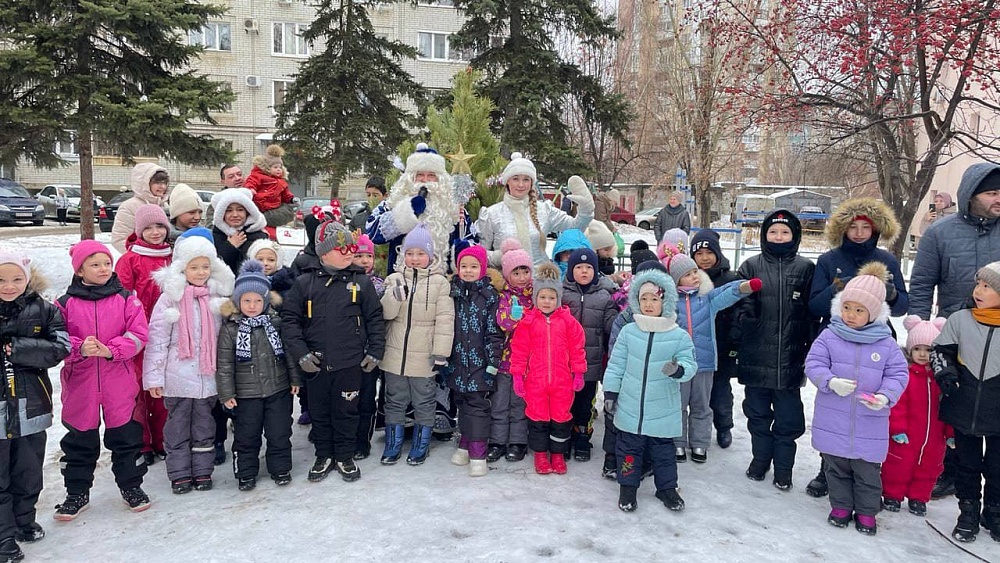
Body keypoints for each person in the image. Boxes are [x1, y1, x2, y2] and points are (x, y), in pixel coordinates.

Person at [805, 197, 908, 497]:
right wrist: (837, 287)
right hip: (837, 343)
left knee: (869, 409)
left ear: (876, 229)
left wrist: (890, 293)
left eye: (866, 227)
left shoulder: (887, 261)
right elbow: (814, 306)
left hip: (876, 344)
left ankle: (866, 474)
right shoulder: (829, 260)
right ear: (843, 229)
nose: (860, 233)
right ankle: (828, 468)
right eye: (854, 227)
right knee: (834, 410)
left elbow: (903, 306)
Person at [910, 162, 1000, 499]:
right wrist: (919, 328)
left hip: (997, 338)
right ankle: (948, 470)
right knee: (954, 406)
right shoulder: (940, 233)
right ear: (971, 195)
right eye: (992, 193)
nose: (999, 199)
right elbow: (922, 284)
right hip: (953, 335)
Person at [805, 267, 908, 536]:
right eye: (847, 307)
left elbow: (898, 374)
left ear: (873, 313)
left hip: (869, 422)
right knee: (836, 468)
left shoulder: (885, 343)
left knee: (867, 472)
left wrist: (885, 396)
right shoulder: (830, 335)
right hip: (834, 418)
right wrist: (830, 382)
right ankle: (840, 507)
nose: (850, 314)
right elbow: (814, 363)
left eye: (859, 310)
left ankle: (866, 512)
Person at [282, 220, 385, 483]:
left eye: (351, 247)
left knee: (347, 412)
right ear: (323, 252)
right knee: (320, 413)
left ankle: (345, 455)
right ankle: (324, 455)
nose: (350, 252)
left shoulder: (361, 282)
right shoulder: (305, 283)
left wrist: (375, 351)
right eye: (342, 248)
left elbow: (375, 318)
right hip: (316, 364)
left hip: (351, 363)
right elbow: (290, 321)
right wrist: (301, 354)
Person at [54, 241, 151, 520]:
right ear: (80, 270)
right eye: (95, 265)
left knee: (126, 437)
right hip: (80, 384)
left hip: (118, 381)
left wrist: (112, 350)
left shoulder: (126, 299)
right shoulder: (64, 304)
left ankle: (131, 486)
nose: (103, 269)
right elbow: (56, 338)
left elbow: (139, 334)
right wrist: (79, 348)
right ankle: (76, 492)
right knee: (79, 440)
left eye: (107, 263)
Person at [143, 234, 234, 494]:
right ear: (182, 268)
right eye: (194, 267)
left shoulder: (218, 298)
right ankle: (180, 473)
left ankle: (203, 471)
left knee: (205, 426)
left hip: (208, 378)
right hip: (177, 378)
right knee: (178, 427)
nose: (201, 272)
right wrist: (154, 378)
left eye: (205, 266)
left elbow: (226, 340)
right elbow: (157, 340)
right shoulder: (169, 299)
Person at [602, 268, 697, 512]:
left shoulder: (678, 335)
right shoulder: (629, 331)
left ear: (666, 301)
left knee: (663, 454)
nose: (648, 304)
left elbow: (690, 364)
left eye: (654, 299)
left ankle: (666, 489)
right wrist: (611, 393)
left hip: (662, 409)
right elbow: (616, 365)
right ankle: (627, 488)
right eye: (643, 298)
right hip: (630, 406)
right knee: (628, 452)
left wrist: (678, 370)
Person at [735, 209, 815, 491]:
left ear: (795, 236)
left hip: (789, 360)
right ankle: (760, 460)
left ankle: (783, 468)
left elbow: (812, 311)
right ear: (764, 235)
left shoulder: (806, 268)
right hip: (756, 357)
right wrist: (746, 318)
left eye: (785, 232)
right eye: (773, 232)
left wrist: (810, 346)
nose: (778, 237)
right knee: (757, 415)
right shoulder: (750, 266)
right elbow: (739, 300)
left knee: (788, 419)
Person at [0, 249, 70, 561]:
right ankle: (3, 537)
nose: (9, 286)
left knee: (28, 469)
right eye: (1, 280)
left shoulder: (43, 309)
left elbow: (60, 347)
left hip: (30, 404)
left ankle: (23, 519)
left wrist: (17, 348)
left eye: (16, 279)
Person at [667, 250, 759, 464]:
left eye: (695, 272)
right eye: (688, 274)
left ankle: (699, 442)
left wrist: (744, 287)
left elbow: (725, 294)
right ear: (677, 280)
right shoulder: (670, 303)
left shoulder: (706, 298)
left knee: (701, 405)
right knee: (677, 406)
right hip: (679, 365)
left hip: (704, 363)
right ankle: (677, 442)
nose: (695, 276)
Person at [932, 262, 1000, 543]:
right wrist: (946, 375)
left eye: (988, 287)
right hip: (963, 406)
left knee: (997, 467)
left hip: (997, 412)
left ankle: (994, 511)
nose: (978, 291)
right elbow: (940, 351)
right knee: (966, 464)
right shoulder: (960, 319)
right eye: (978, 284)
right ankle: (968, 511)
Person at [216, 260, 299, 491]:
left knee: (279, 432)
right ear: (237, 301)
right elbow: (224, 364)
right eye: (246, 301)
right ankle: (246, 472)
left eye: (257, 301)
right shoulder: (231, 329)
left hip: (278, 389)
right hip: (246, 394)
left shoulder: (275, 323)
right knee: (246, 435)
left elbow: (288, 353)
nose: (252, 306)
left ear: (266, 301)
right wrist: (227, 394)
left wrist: (295, 379)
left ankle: (280, 468)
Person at [379, 224, 455, 466]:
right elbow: (386, 315)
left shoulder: (440, 283)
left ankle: (421, 444)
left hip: (424, 356)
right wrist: (394, 298)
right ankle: (393, 443)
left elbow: (445, 320)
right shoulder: (394, 278)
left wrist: (441, 352)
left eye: (420, 253)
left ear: (430, 255)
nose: (415, 258)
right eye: (410, 253)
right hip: (395, 355)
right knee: (395, 399)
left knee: (424, 400)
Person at [508, 262, 587, 475]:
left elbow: (577, 349)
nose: (546, 301)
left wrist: (578, 372)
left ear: (558, 299)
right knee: (538, 418)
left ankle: (558, 455)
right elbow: (519, 350)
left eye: (551, 297)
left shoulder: (568, 322)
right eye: (542, 297)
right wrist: (518, 375)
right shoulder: (527, 322)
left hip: (562, 381)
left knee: (561, 418)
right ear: (535, 298)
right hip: (536, 381)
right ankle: (541, 454)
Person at [115, 204, 172, 465]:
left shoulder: (174, 257)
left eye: (160, 226)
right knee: (138, 391)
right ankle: (143, 443)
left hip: (167, 334)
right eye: (148, 228)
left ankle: (163, 440)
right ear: (139, 231)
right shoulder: (129, 260)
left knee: (162, 390)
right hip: (139, 335)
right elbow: (121, 300)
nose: (155, 232)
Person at [366, 143, 476, 274]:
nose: (425, 180)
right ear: (410, 177)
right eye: (420, 175)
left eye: (431, 175)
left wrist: (460, 250)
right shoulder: (393, 203)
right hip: (401, 280)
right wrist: (407, 212)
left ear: (440, 179)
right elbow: (372, 233)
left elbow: (472, 242)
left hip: (441, 281)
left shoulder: (453, 208)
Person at [881, 315, 951, 517]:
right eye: (917, 348)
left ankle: (919, 498)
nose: (922, 354)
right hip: (907, 435)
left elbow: (949, 407)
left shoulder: (941, 378)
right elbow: (898, 405)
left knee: (929, 468)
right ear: (910, 349)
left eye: (928, 350)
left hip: (934, 437)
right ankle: (892, 494)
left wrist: (950, 433)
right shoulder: (906, 375)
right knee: (898, 465)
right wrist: (897, 429)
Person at [477, 152, 595, 267]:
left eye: (526, 179)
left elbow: (575, 228)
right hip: (506, 278)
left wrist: (586, 210)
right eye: (516, 179)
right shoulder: (492, 213)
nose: (521, 185)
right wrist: (499, 257)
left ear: (532, 182)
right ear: (507, 181)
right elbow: (479, 253)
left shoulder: (545, 210)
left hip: (540, 278)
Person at [445, 245, 503, 477]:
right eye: (464, 266)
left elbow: (494, 332)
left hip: (481, 362)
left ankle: (478, 453)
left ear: (483, 268)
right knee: (461, 403)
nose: (468, 271)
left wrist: (493, 362)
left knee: (477, 406)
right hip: (457, 361)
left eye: (474, 266)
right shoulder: (453, 293)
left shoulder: (490, 296)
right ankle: (464, 444)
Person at [562, 248, 618, 462]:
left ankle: (582, 437)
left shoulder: (604, 296)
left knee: (585, 403)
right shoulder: (562, 294)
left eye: (588, 267)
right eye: (579, 267)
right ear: (570, 270)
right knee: (565, 401)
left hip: (590, 363)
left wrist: (623, 310)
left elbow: (611, 326)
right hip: (564, 362)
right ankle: (563, 435)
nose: (584, 271)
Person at [689, 229, 740, 449]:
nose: (705, 258)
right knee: (692, 393)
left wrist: (734, 338)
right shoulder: (687, 280)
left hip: (721, 346)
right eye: (699, 254)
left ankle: (723, 426)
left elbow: (741, 310)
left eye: (709, 252)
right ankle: (691, 430)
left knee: (719, 391)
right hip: (692, 346)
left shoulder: (730, 278)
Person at [489, 239, 534, 463]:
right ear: (508, 275)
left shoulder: (536, 295)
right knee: (500, 403)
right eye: (516, 273)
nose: (522, 277)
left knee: (519, 403)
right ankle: (497, 441)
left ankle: (518, 442)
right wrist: (517, 317)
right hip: (505, 361)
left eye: (525, 271)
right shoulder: (504, 296)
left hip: (526, 362)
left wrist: (524, 317)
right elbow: (504, 322)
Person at [352, 233, 385, 459]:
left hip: (370, 351)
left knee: (366, 398)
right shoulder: (344, 283)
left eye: (368, 256)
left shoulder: (380, 285)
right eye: (358, 255)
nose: (364, 261)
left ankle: (363, 440)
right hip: (347, 350)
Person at [111, 163, 170, 253]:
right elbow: (119, 239)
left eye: (164, 183)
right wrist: (141, 256)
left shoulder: (165, 205)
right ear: (144, 184)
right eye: (157, 183)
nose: (162, 187)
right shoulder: (130, 206)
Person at [210, 187, 269, 276]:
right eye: (229, 210)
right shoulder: (215, 236)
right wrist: (230, 247)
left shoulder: (259, 236)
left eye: (240, 210)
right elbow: (214, 266)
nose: (235, 215)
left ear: (248, 212)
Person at [244, 144, 298, 229]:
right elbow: (252, 181)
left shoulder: (281, 182)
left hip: (274, 206)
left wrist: (291, 199)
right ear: (267, 168)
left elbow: (285, 194)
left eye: (280, 167)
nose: (278, 169)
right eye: (275, 167)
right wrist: (251, 189)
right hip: (261, 204)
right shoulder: (259, 176)